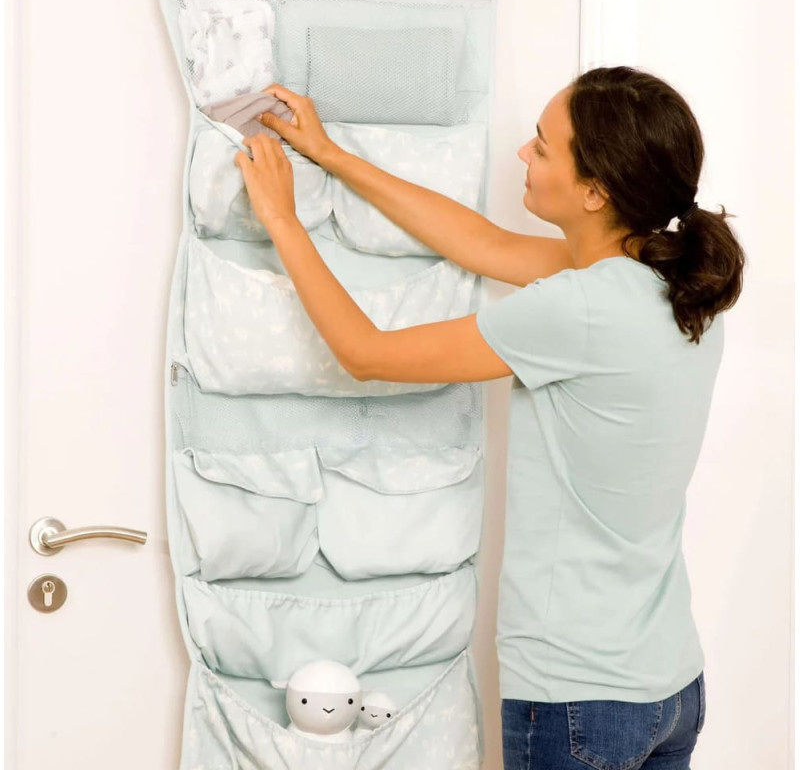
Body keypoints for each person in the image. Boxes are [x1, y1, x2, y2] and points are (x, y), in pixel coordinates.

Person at [234, 65, 746, 770]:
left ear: (595, 192)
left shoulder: (580, 308)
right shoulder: (679, 285)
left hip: (579, 697)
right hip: (669, 685)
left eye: (542, 146)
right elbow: (482, 245)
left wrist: (282, 220)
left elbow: (364, 353)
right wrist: (331, 155)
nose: (522, 154)